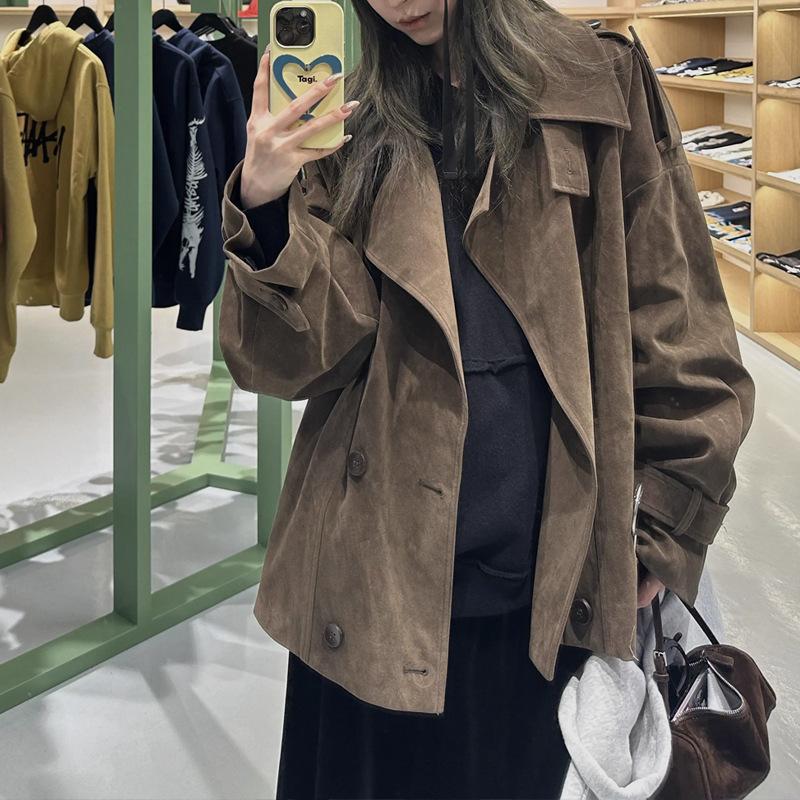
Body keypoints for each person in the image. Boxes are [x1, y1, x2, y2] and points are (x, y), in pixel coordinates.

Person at [218, 0, 757, 797]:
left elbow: (675, 314)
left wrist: (671, 519)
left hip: (546, 583)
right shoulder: (350, 115)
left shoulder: (599, 81)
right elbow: (296, 362)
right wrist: (267, 205)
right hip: (374, 577)